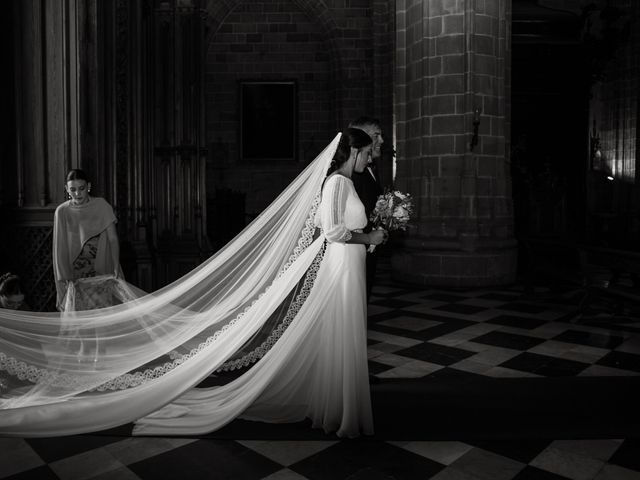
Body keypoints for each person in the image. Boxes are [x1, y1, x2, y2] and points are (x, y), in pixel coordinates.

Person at [0, 132, 385, 439]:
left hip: (348, 268)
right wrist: (369, 239)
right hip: (343, 264)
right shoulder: (337, 184)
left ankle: (340, 403)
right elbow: (333, 231)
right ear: (353, 153)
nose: (371, 158)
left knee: (341, 335)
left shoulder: (345, 182)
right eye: (368, 151)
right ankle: (340, 408)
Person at [53, 169, 123, 311]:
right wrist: (64, 275)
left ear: (89, 186)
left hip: (101, 270)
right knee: (79, 319)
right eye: (73, 189)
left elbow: (113, 239)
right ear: (67, 189)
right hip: (74, 274)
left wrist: (116, 265)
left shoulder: (102, 206)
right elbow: (59, 248)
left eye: (82, 188)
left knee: (103, 314)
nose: (77, 194)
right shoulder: (62, 211)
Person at [349, 117, 385, 301]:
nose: (382, 141)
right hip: (354, 250)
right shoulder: (351, 174)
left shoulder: (371, 169)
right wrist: (369, 237)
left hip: (367, 250)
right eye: (376, 136)